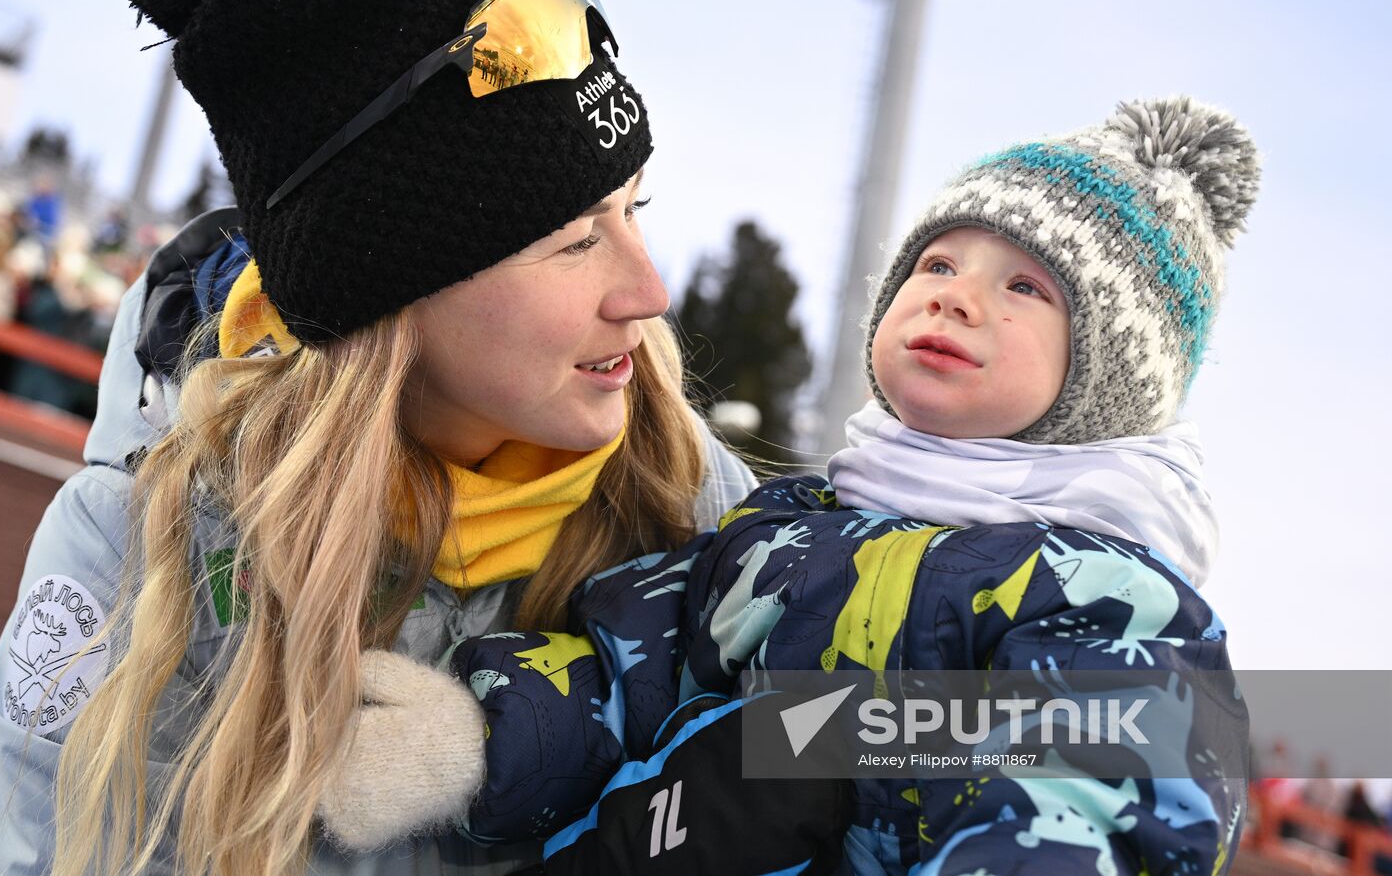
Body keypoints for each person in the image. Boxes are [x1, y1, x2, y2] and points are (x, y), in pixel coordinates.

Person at [0, 0, 756, 875]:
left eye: (633, 211)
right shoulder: (140, 563)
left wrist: (535, 734)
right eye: (572, 242)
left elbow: (933, 746)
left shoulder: (698, 505)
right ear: (392, 298)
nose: (649, 291)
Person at [337, 97, 1256, 875]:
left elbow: (1090, 799)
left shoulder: (1108, 600)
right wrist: (477, 740)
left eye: (1025, 286)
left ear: (1106, 378)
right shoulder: (786, 528)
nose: (956, 296)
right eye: (937, 264)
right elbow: (636, 671)